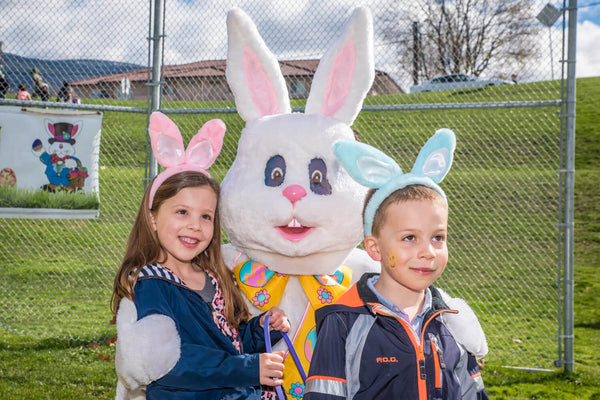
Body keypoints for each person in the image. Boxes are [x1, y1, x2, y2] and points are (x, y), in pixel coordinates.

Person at [111, 112, 290, 400]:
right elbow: (169, 364)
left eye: (206, 216)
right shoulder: (152, 284)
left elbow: (227, 344)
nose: (195, 225)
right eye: (182, 212)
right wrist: (247, 369)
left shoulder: (213, 278)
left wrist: (260, 330)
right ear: (153, 217)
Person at [304, 129, 488, 400]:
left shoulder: (451, 322)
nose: (428, 252)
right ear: (375, 248)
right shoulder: (342, 321)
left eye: (438, 237)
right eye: (410, 237)